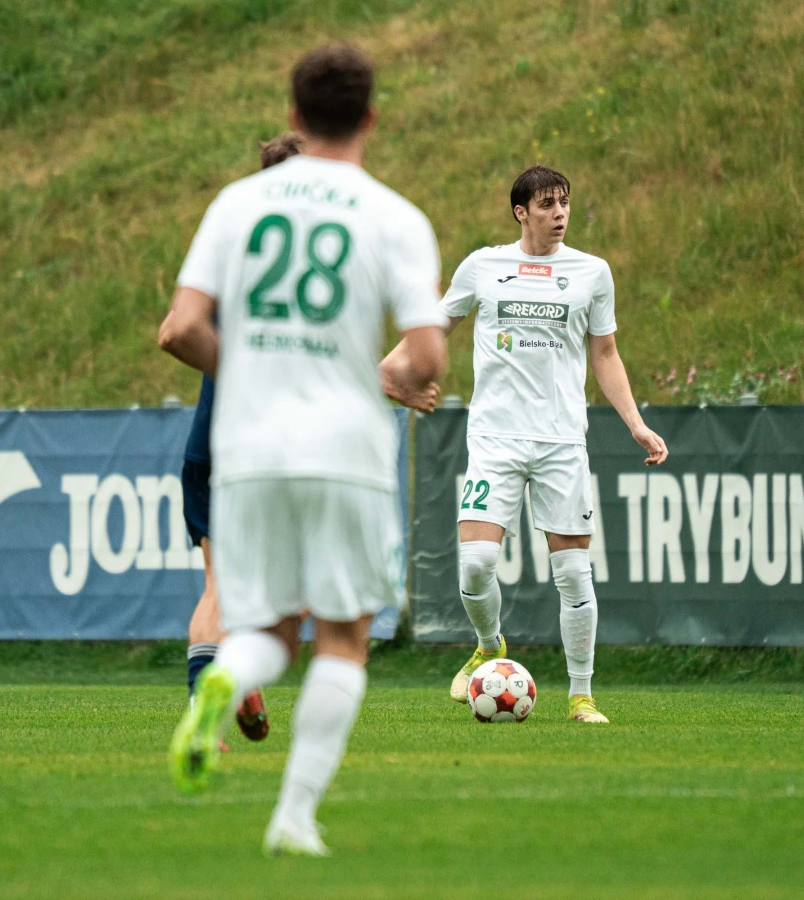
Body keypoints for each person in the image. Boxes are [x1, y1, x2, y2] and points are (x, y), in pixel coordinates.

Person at [158, 43, 447, 856]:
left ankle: (224, 677)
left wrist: (257, 368)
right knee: (343, 638)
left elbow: (182, 329)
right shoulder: (394, 217)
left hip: (247, 450)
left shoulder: (237, 206)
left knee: (269, 630)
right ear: (371, 118)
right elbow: (426, 358)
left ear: (293, 115)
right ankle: (293, 818)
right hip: (343, 451)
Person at [382, 166, 668, 724]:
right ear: (521, 212)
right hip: (495, 437)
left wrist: (635, 422)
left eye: (565, 203)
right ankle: (490, 645)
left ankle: (581, 696)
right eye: (547, 205)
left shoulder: (592, 273)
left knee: (574, 574)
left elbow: (605, 353)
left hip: (562, 440)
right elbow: (433, 329)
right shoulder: (483, 267)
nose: (560, 214)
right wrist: (387, 371)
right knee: (475, 565)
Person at [181, 131, 306, 745]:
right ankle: (239, 669)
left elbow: (178, 330)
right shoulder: (313, 263)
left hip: (208, 445)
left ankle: (207, 713)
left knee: (218, 587)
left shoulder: (228, 244)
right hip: (269, 445)